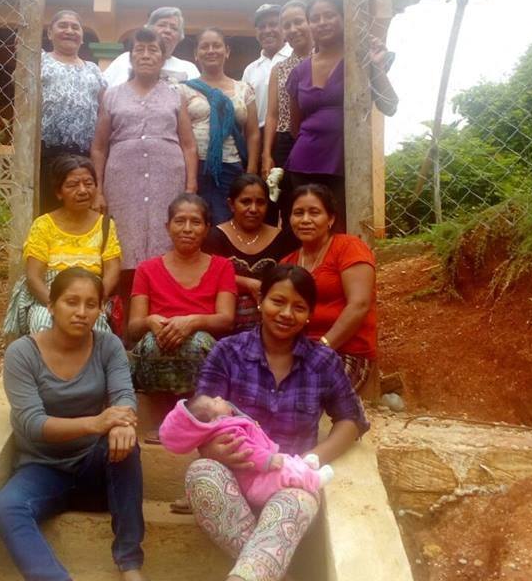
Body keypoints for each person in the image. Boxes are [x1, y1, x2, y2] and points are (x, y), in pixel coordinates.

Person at [185, 264, 369, 581]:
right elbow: (199, 419)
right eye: (277, 301)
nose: (286, 313)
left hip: (290, 482)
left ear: (309, 314)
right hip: (235, 478)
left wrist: (311, 461)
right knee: (201, 472)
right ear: (261, 302)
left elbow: (351, 420)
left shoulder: (322, 361)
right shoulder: (227, 352)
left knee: (297, 501)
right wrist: (215, 449)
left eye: (299, 307)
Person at [0, 267, 146, 581]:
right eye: (71, 302)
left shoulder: (108, 346)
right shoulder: (22, 353)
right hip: (43, 468)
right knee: (6, 508)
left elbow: (124, 397)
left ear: (100, 310)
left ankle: (130, 564)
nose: (81, 312)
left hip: (96, 470)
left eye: (91, 304)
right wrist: (97, 422)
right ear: (51, 306)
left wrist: (121, 423)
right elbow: (32, 424)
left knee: (125, 444)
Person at [91, 27, 198, 328]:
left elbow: (189, 145)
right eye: (140, 49)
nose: (147, 55)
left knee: (167, 242)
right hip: (123, 181)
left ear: (163, 58)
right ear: (131, 55)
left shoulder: (175, 95)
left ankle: (165, 317)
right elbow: (99, 147)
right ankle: (125, 324)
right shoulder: (112, 96)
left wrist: (190, 187)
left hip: (168, 179)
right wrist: (99, 189)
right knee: (124, 244)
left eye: (154, 50)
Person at [286, 0, 398, 230]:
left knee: (341, 229)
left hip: (347, 162)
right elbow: (295, 126)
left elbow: (390, 104)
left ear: (344, 18)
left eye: (329, 15)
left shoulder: (359, 62)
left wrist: (374, 66)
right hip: (303, 163)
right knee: (305, 231)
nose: (322, 22)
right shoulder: (299, 71)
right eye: (315, 18)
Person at [129, 193, 236, 396]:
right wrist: (151, 321)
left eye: (195, 222)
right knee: (151, 344)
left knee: (197, 342)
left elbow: (226, 320)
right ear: (167, 227)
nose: (187, 229)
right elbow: (134, 327)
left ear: (206, 229)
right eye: (179, 221)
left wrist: (193, 322)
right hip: (155, 356)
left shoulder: (223, 267)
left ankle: (196, 411)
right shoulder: (146, 269)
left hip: (204, 363)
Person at [3, 156, 121, 335]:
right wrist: (56, 306)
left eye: (88, 183)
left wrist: (94, 302)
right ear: (59, 192)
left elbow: (112, 270)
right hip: (50, 298)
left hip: (90, 297)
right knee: (44, 323)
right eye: (73, 185)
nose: (82, 190)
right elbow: (34, 276)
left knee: (97, 332)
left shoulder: (105, 225)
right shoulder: (43, 225)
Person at [160, 394, 335, 508]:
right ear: (214, 419)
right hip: (256, 481)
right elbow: (247, 450)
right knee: (283, 473)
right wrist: (267, 460)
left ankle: (304, 465)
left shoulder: (230, 423)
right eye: (215, 402)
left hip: (262, 471)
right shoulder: (228, 431)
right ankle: (314, 479)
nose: (220, 397)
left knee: (287, 463)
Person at [282, 184, 377, 392]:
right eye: (298, 213)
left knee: (303, 392)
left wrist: (322, 348)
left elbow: (359, 304)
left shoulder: (348, 248)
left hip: (345, 352)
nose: (305, 220)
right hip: (298, 352)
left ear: (331, 219)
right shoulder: (287, 263)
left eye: (314, 212)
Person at [181, 28, 260, 225]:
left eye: (216, 45)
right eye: (204, 46)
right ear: (196, 54)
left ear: (227, 51)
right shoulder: (183, 89)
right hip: (195, 168)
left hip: (233, 167)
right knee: (196, 223)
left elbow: (252, 133)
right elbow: (181, 134)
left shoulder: (244, 89)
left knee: (229, 224)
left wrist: (250, 171)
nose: (211, 50)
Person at [202, 174, 296, 332]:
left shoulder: (282, 238)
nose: (253, 209)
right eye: (245, 202)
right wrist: (246, 283)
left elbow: (290, 279)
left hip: (273, 326)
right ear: (231, 204)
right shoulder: (214, 237)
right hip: (222, 323)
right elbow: (205, 274)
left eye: (260, 202)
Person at [40, 9, 107, 214]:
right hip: (46, 153)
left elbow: (103, 112)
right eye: (63, 26)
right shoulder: (39, 61)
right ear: (50, 33)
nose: (69, 31)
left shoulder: (93, 70)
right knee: (47, 211)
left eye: (75, 27)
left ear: (82, 37)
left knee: (81, 211)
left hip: (83, 156)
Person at [261, 0, 314, 226]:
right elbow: (272, 114)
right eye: (287, 25)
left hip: (318, 138)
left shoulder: (327, 60)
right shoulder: (279, 69)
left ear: (310, 22)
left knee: (316, 201)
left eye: (298, 22)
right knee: (287, 203)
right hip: (285, 142)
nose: (293, 29)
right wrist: (267, 154)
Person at [103, 7, 199, 87]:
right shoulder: (124, 60)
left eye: (174, 28)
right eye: (162, 25)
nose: (168, 31)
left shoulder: (189, 68)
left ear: (179, 37)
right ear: (149, 30)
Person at [241, 4, 292, 129]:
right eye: (262, 27)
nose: (267, 30)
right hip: (259, 135)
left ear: (283, 28)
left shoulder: (296, 58)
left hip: (290, 134)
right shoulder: (250, 70)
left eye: (273, 24)